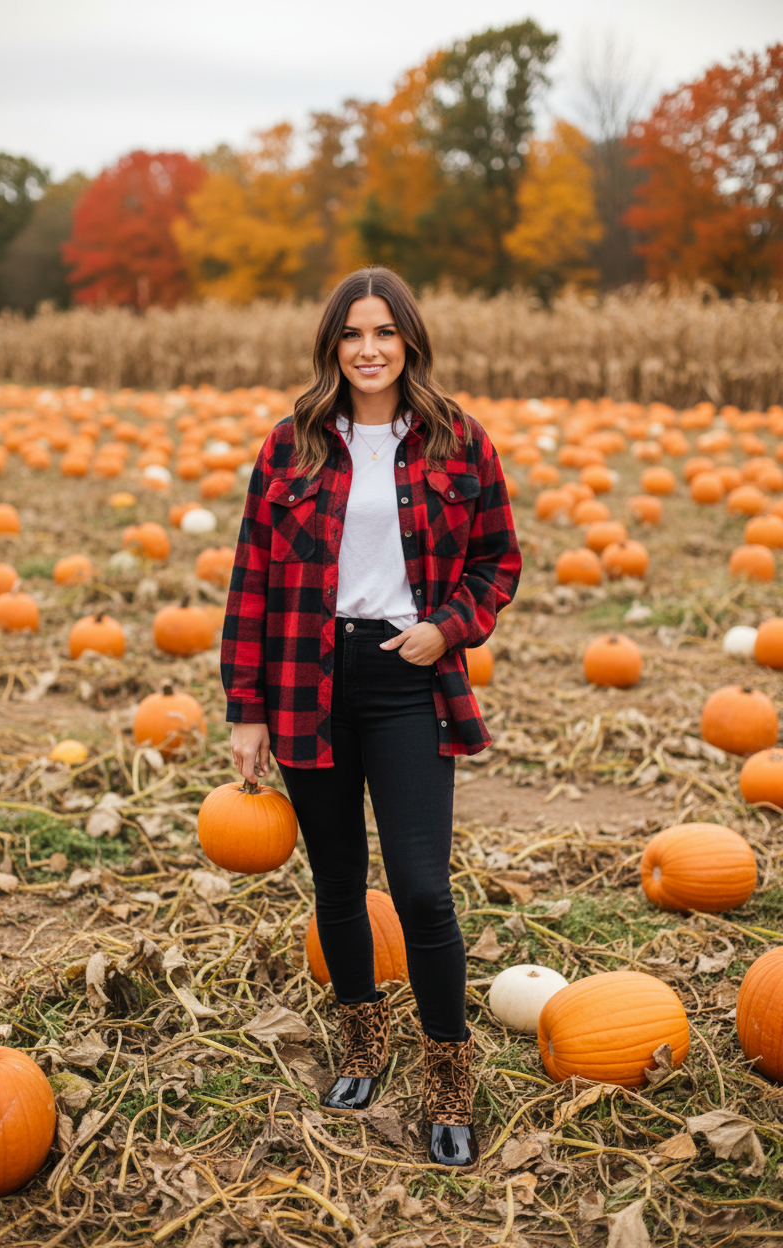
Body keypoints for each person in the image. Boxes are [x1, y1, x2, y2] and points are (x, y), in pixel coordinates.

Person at [222, 266, 521, 1167]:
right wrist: (247, 709)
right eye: (352, 334)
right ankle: (361, 1039)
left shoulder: (457, 441)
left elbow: (500, 562)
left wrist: (446, 629)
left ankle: (447, 1075)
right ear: (332, 346)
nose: (369, 349)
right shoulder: (292, 445)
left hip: (406, 677)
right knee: (339, 884)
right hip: (306, 677)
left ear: (409, 341)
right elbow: (252, 579)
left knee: (424, 891)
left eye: (384, 332)